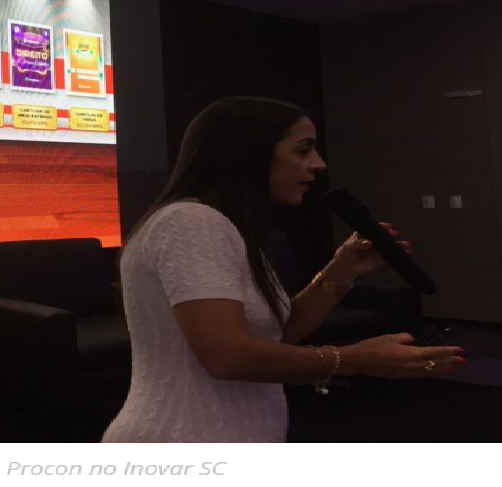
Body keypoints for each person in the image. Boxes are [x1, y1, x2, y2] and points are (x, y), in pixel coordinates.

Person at [102, 97, 464, 443]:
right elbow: (227, 356)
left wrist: (341, 271)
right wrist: (354, 359)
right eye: (303, 151)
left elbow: (276, 336)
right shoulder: (190, 222)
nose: (318, 164)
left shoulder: (228, 227)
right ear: (249, 154)